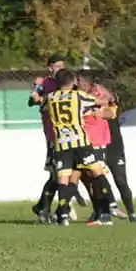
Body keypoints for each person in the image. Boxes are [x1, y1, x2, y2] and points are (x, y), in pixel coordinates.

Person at [44, 69, 116, 226]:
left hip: (62, 143)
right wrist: (107, 100)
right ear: (73, 82)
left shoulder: (50, 97)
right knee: (97, 172)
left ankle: (63, 215)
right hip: (80, 142)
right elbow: (99, 102)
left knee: (64, 179)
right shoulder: (78, 96)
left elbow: (44, 107)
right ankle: (110, 205)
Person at [29, 54, 87, 222]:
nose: (60, 68)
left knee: (70, 171)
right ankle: (49, 208)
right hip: (54, 134)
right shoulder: (45, 84)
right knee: (57, 173)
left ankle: (49, 206)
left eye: (62, 65)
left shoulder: (69, 81)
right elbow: (32, 101)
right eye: (57, 66)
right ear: (50, 68)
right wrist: (37, 95)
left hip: (73, 134)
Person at [77, 70, 123, 223]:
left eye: (79, 81)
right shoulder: (82, 95)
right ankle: (99, 210)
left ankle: (107, 210)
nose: (77, 84)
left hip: (96, 142)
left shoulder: (98, 95)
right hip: (84, 142)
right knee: (87, 177)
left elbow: (111, 111)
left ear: (87, 83)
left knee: (97, 176)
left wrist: (100, 111)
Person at [100, 82, 136, 223]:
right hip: (97, 147)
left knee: (121, 181)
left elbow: (110, 113)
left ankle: (132, 212)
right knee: (98, 180)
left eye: (103, 92)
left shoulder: (112, 106)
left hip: (114, 148)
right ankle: (106, 209)